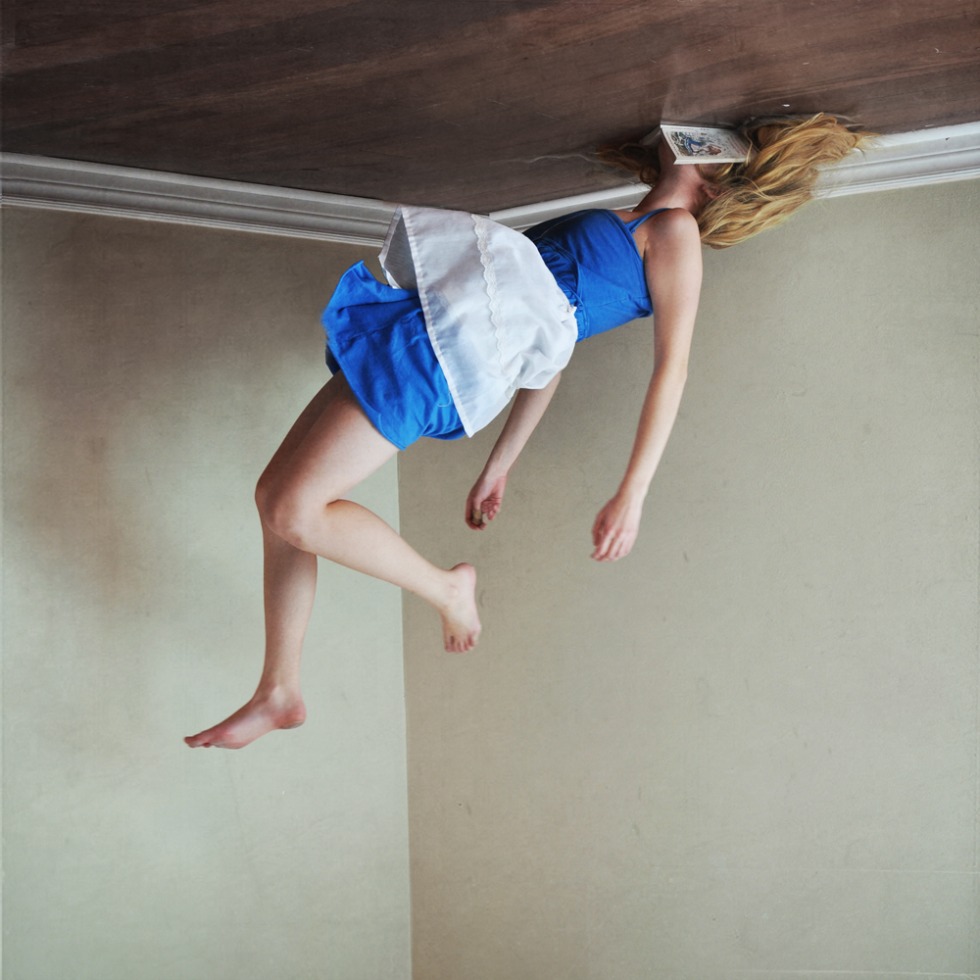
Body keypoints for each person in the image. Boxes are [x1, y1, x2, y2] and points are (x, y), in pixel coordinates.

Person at [185, 113, 868, 749]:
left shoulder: (676, 234)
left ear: (716, 178)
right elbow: (546, 351)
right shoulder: (630, 217)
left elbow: (674, 369)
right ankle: (280, 688)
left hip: (444, 358)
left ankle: (447, 590)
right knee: (273, 499)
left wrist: (632, 493)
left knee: (294, 508)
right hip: (431, 328)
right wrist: (499, 465)